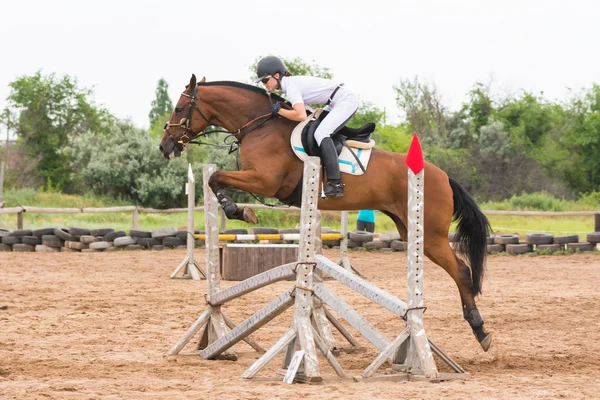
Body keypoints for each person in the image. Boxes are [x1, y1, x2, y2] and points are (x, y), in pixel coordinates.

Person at [256, 55, 359, 198]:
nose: (264, 84)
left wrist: (279, 110)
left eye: (265, 80)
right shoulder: (291, 85)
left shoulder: (291, 87)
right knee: (317, 129)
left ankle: (335, 183)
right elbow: (307, 113)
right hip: (334, 102)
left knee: (321, 134)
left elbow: (300, 115)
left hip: (345, 100)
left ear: (277, 75)